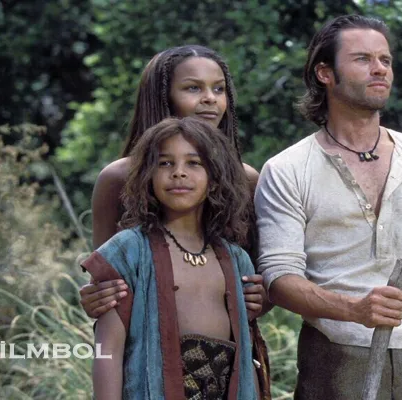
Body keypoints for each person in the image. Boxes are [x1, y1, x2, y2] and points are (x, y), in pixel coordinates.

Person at [254, 14, 402, 400]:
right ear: (325, 73)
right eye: (363, 59)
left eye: (385, 59)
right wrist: (354, 310)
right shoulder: (288, 170)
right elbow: (279, 279)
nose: (380, 68)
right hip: (336, 359)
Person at [77, 45, 271, 398]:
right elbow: (108, 285)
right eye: (193, 88)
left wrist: (263, 296)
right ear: (162, 96)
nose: (210, 98)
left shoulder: (245, 180)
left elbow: (258, 282)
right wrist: (96, 295)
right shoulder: (118, 179)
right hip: (147, 365)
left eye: (219, 88)